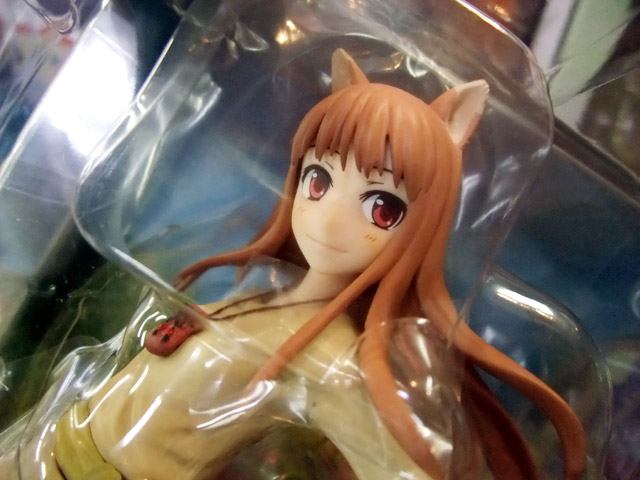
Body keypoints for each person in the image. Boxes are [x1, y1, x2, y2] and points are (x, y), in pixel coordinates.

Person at [2, 49, 586, 480]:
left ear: (419, 224)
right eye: (319, 180)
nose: (329, 221)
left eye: (381, 208)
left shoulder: (329, 358)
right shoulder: (263, 294)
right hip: (47, 447)